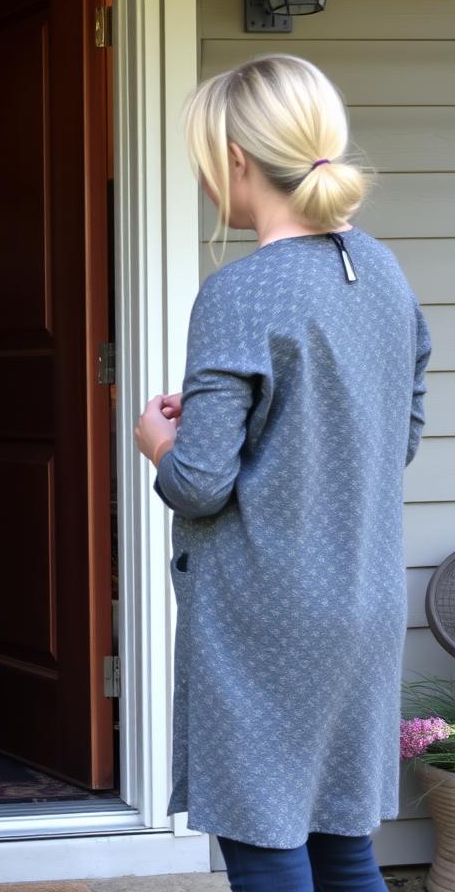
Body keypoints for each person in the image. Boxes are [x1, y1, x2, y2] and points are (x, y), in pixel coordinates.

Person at [134, 54, 431, 892]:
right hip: (366, 604)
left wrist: (158, 438)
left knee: (268, 851)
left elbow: (198, 484)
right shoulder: (382, 269)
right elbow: (396, 433)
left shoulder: (240, 290)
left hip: (268, 613)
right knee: (343, 847)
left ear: (235, 158)